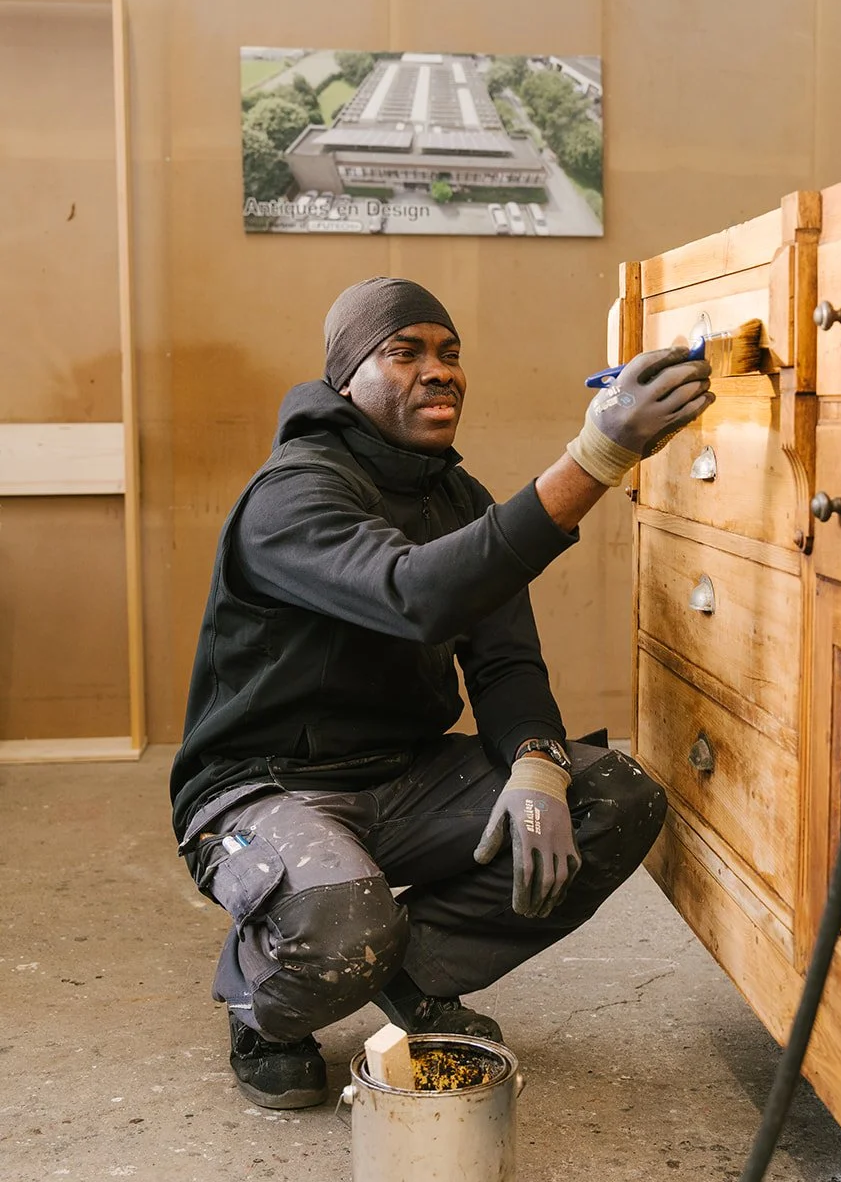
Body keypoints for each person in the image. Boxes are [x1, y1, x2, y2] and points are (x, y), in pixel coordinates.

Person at [170, 277, 712, 1108]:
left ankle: (411, 976)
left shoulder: (456, 498)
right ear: (346, 377)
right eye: (405, 352)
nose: (439, 370)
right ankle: (262, 1005)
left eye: (449, 353)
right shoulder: (292, 493)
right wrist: (597, 456)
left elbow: (504, 663)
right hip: (266, 787)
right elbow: (415, 593)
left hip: (404, 775)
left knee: (611, 796)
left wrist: (536, 762)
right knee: (343, 930)